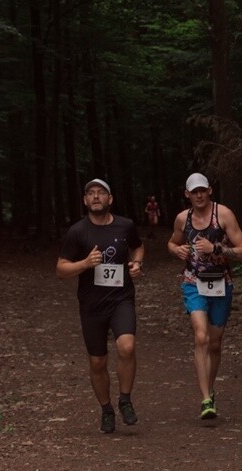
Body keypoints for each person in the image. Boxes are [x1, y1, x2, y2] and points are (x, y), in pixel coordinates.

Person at [56, 178, 145, 434]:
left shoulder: (125, 225)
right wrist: (84, 264)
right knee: (97, 362)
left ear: (110, 199)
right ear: (85, 200)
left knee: (127, 347)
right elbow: (61, 270)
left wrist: (137, 264)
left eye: (101, 193)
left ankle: (125, 400)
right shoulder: (77, 232)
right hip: (92, 305)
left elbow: (138, 248)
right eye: (91, 193)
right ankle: (106, 410)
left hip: (121, 299)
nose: (96, 197)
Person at [167, 173, 242, 419]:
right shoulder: (183, 219)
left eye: (203, 190)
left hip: (220, 283)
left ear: (210, 190)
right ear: (187, 195)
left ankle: (210, 388)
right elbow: (171, 243)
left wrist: (215, 248)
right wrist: (178, 250)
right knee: (201, 336)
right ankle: (205, 399)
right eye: (194, 192)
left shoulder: (223, 215)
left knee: (214, 342)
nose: (199, 195)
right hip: (193, 282)